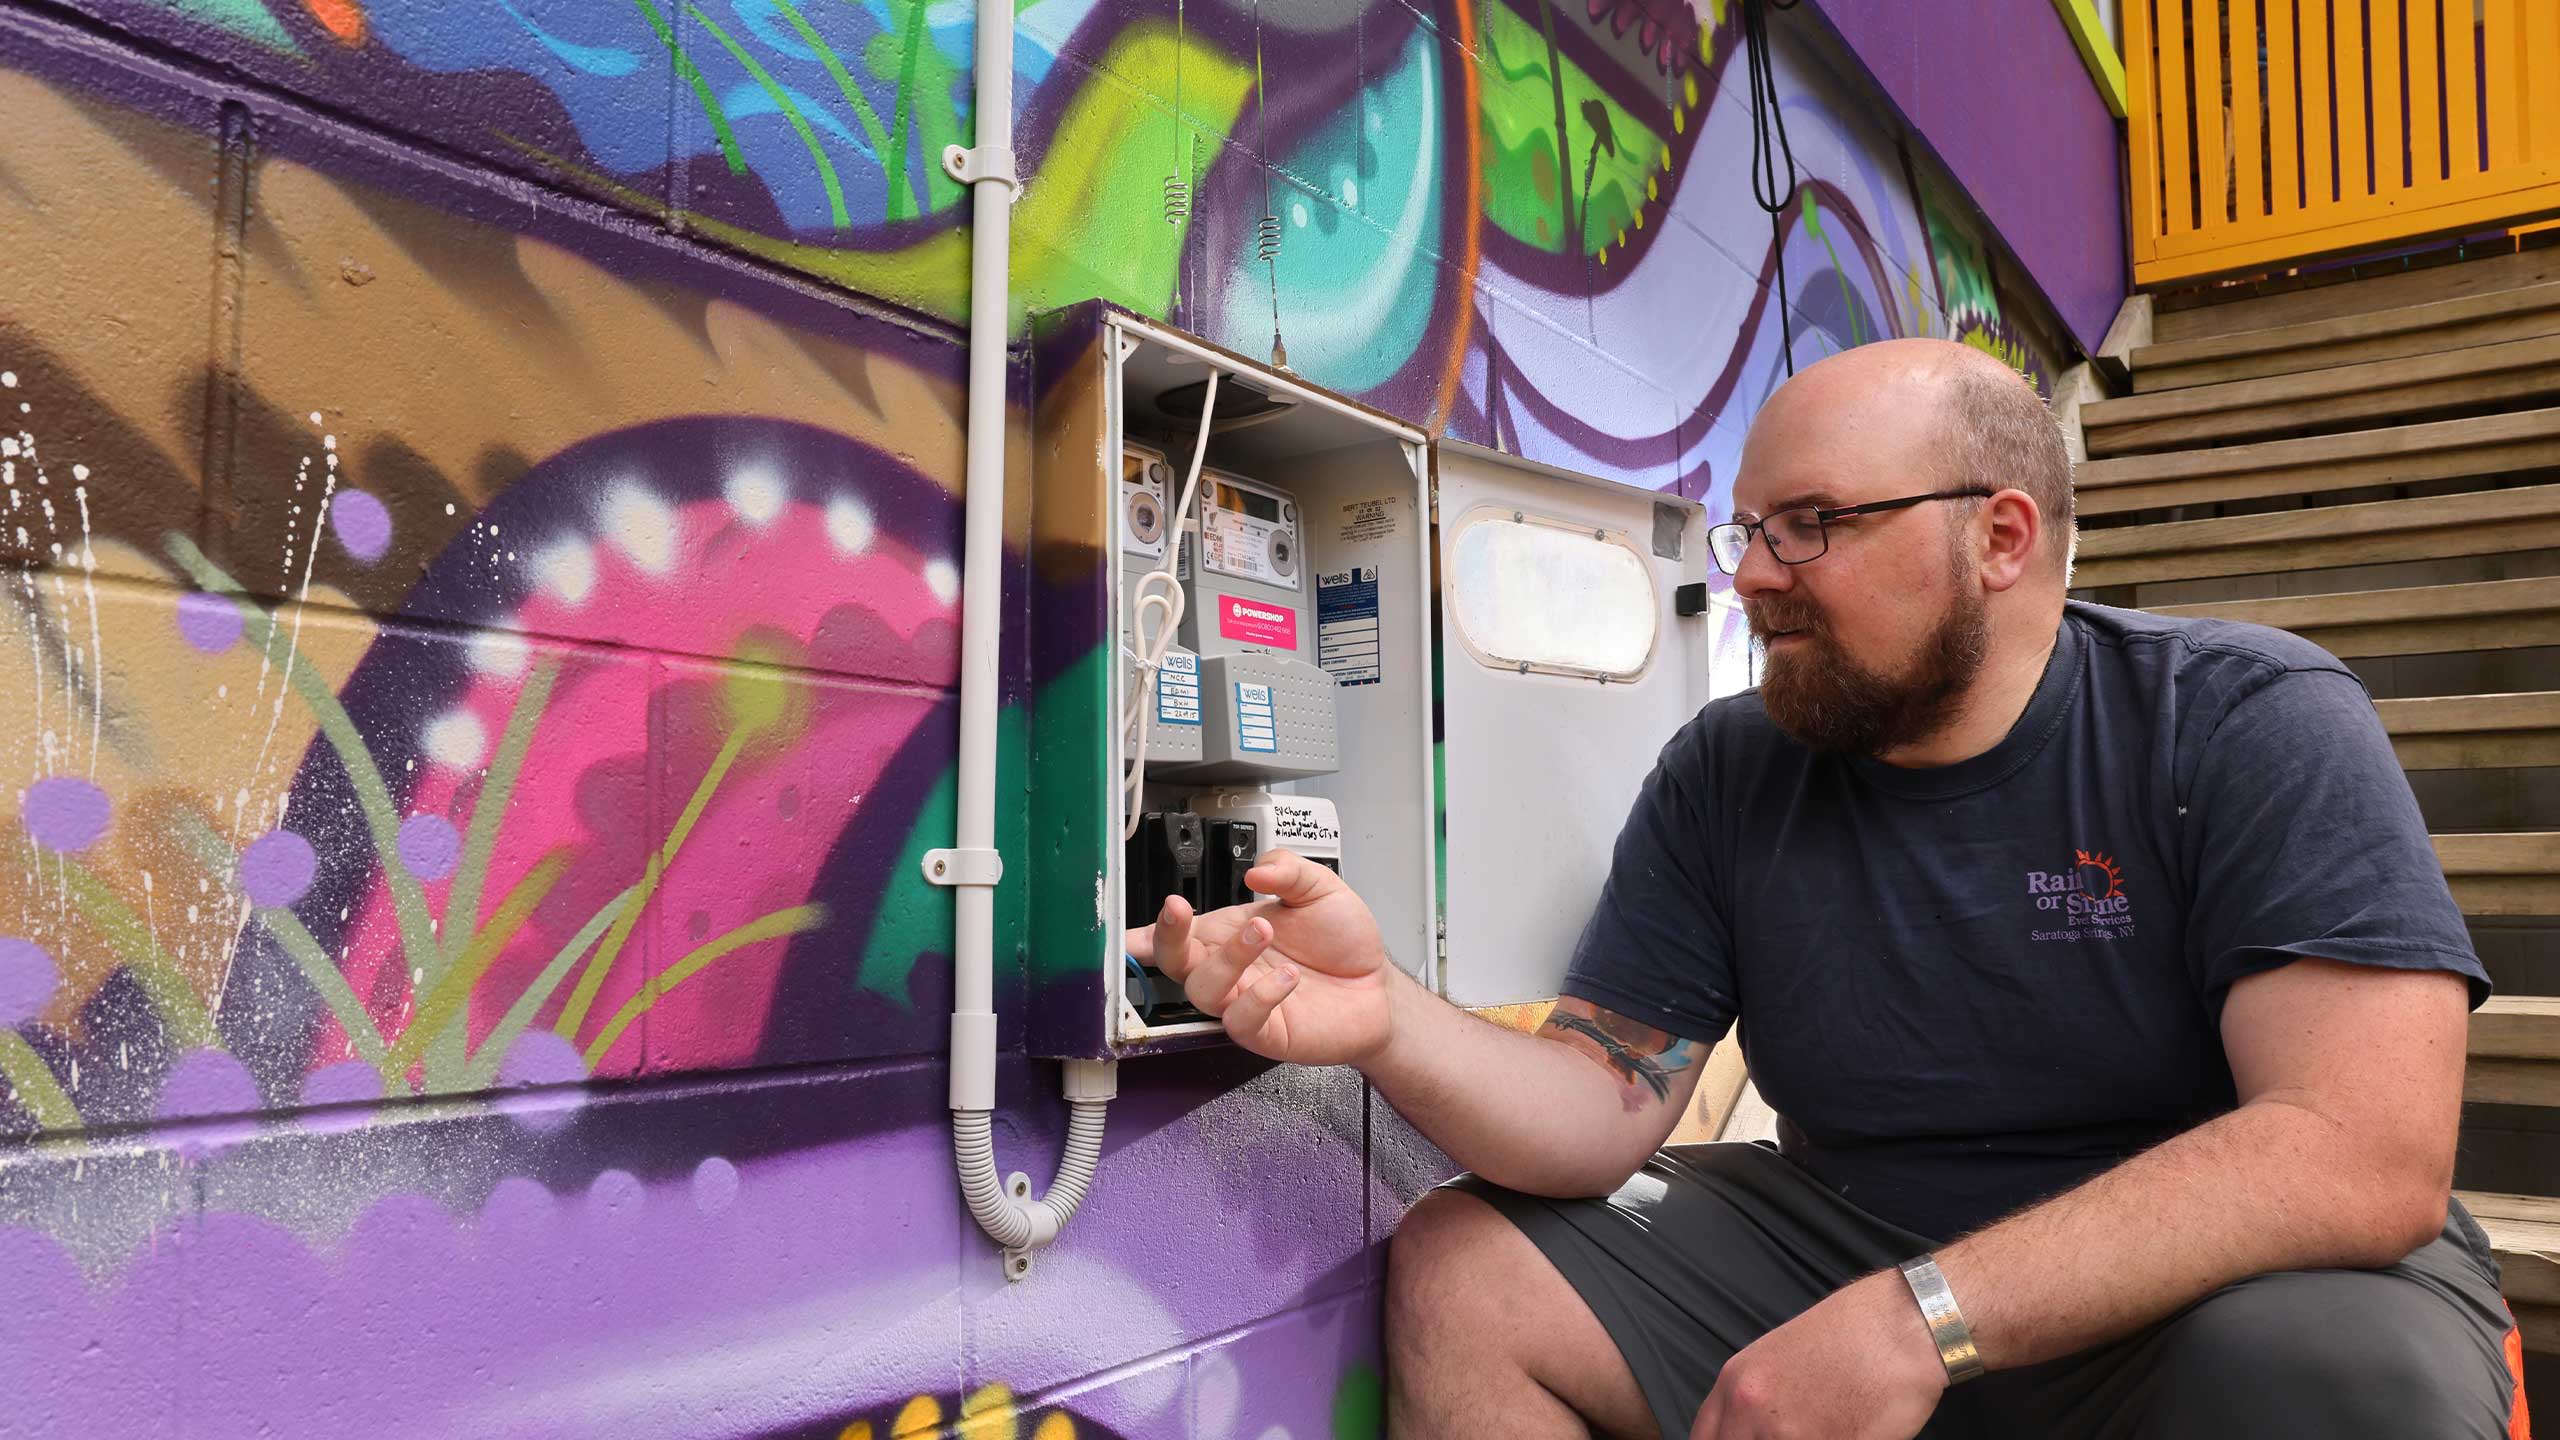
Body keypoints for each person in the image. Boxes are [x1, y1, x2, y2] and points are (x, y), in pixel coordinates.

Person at [1128, 338, 2524, 1439]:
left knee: (2341, 1375)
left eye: (1811, 526)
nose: (1750, 577)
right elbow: (1598, 1104)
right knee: (1470, 1265)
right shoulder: (1730, 768)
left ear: (2002, 538)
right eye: (1747, 530)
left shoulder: (2244, 719)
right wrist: (1385, 1018)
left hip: (2201, 1280)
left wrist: (1923, 1320)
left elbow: (2359, 1148)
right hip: (1852, 1230)